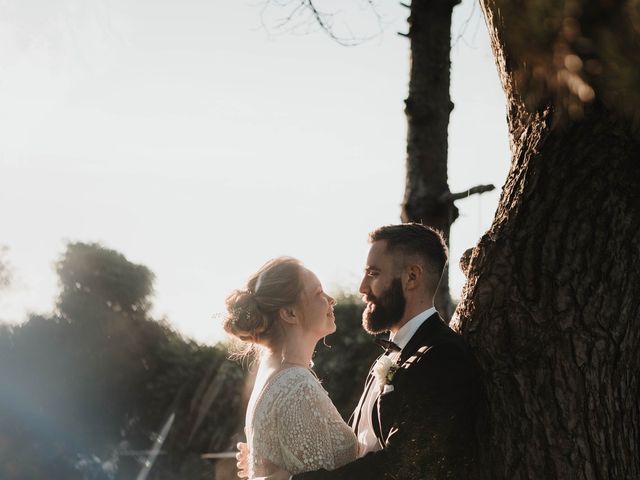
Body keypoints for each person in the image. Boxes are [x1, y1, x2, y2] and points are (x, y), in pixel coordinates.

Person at [239, 223, 482, 480]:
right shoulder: (387, 358)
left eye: (373, 274)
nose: (362, 288)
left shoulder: (442, 357)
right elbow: (357, 450)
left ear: (412, 277)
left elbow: (406, 465)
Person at [224, 257, 359, 479]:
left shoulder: (276, 376)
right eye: (319, 293)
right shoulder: (296, 386)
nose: (331, 299)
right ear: (290, 313)